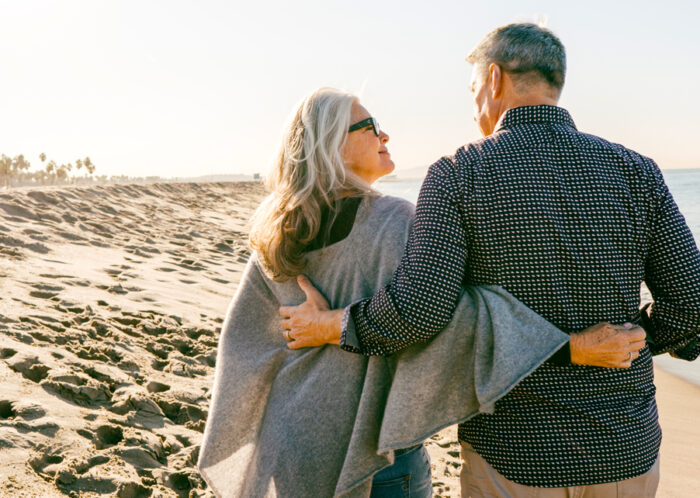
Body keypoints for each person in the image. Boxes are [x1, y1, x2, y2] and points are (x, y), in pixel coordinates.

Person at [280, 24, 700, 497]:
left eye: (474, 86)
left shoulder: (459, 173)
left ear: (495, 79)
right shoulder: (636, 170)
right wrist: (635, 339)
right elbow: (692, 305)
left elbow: (420, 311)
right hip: (624, 448)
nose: (474, 100)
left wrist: (335, 325)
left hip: (514, 451)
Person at [196, 87, 638, 497]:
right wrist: (568, 346)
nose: (383, 133)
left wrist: (317, 332)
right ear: (330, 144)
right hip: (372, 449)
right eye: (367, 127)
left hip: (291, 440)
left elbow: (243, 344)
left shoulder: (276, 231)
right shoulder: (397, 222)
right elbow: (454, 318)